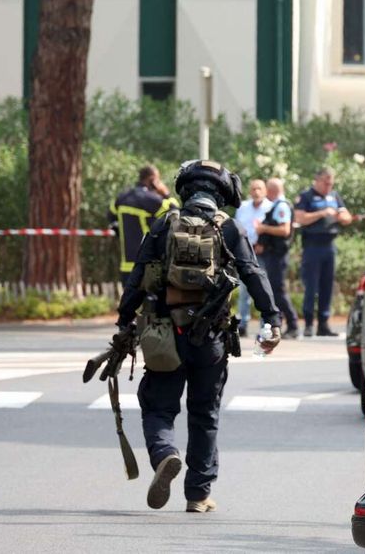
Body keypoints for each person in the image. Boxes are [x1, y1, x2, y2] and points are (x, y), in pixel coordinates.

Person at [115, 160, 282, 513]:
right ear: (222, 195)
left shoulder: (164, 224)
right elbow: (253, 274)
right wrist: (272, 319)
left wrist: (124, 321)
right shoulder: (229, 229)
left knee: (159, 406)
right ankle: (198, 494)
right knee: (205, 412)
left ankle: (165, 453)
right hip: (211, 339)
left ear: (186, 190)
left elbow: (137, 277)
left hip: (163, 336)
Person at [294, 167, 352, 337]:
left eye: (331, 183)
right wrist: (321, 213)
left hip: (329, 246)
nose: (328, 186)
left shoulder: (334, 196)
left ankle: (323, 324)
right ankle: (309, 324)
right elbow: (299, 218)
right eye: (326, 183)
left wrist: (342, 217)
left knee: (327, 286)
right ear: (317, 180)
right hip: (312, 246)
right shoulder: (306, 196)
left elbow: (347, 217)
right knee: (311, 287)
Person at [109, 165, 179, 284]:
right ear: (152, 180)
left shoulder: (121, 198)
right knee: (151, 302)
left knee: (129, 301)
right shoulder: (151, 199)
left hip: (126, 266)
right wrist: (166, 193)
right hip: (146, 265)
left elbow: (111, 216)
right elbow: (175, 211)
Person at [255, 178, 300, 339]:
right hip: (272, 254)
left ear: (272, 190)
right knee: (274, 291)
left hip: (278, 255)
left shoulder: (281, 206)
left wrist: (263, 228)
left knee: (278, 291)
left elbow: (284, 230)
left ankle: (293, 325)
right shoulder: (276, 206)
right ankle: (278, 325)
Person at [234, 179, 272, 336]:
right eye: (254, 189)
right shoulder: (243, 208)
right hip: (245, 253)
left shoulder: (270, 207)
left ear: (265, 191)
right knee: (244, 291)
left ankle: (266, 325)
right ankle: (243, 323)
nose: (256, 191)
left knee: (264, 289)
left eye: (260, 189)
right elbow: (236, 229)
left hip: (265, 254)